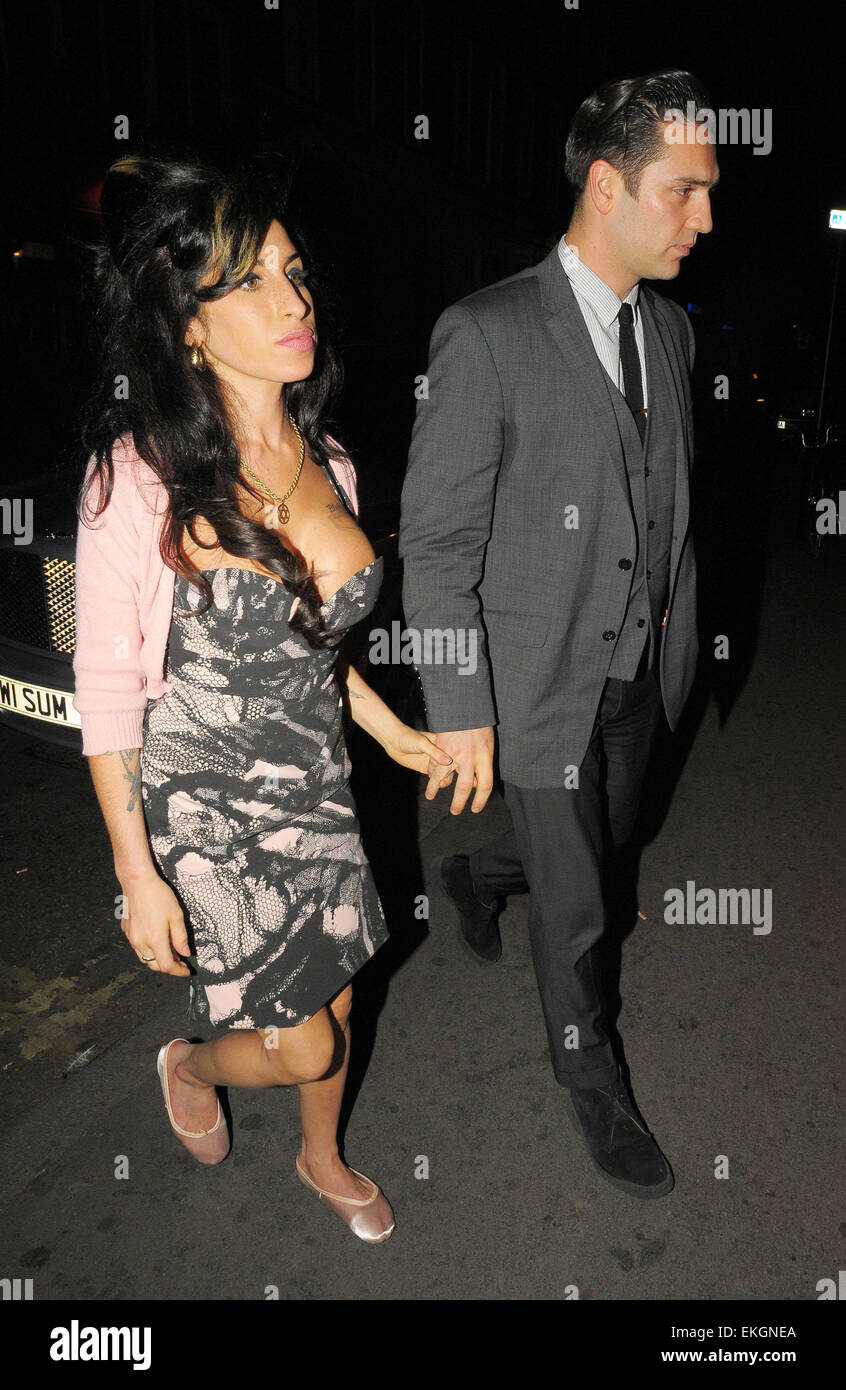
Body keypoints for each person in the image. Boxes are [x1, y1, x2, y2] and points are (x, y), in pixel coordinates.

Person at [72, 152, 453, 1244]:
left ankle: (321, 1155)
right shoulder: (137, 477)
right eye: (248, 282)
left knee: (339, 993)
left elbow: (312, 648)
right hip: (207, 807)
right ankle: (191, 1064)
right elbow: (107, 690)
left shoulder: (330, 460)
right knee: (303, 1040)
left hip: (316, 783)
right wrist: (135, 873)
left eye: (294, 273)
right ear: (188, 325)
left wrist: (393, 732)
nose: (293, 302)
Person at [399, 71, 719, 1199]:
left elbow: (666, 505)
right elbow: (436, 543)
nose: (704, 218)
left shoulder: (672, 333)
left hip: (638, 671)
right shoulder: (484, 333)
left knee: (608, 840)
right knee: (582, 904)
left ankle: (476, 873)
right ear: (606, 186)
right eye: (684, 191)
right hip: (533, 683)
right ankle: (593, 1080)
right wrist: (461, 706)